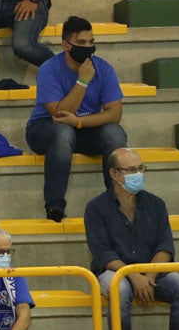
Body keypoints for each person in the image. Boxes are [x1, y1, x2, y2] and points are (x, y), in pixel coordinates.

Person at [84, 148, 179, 330]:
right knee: (120, 289)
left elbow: (165, 247)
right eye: (132, 170)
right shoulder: (95, 208)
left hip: (153, 272)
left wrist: (149, 277)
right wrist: (133, 276)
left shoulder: (157, 204)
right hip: (113, 271)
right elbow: (102, 252)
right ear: (115, 174)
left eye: (140, 168)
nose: (138, 174)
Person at [26, 16, 127, 221]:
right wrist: (82, 82)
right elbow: (60, 114)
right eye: (81, 43)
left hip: (83, 127)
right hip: (45, 128)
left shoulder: (104, 69)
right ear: (65, 44)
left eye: (91, 42)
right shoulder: (49, 69)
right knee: (63, 132)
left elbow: (114, 114)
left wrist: (79, 122)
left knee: (115, 134)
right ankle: (54, 205)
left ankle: (117, 202)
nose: (88, 48)